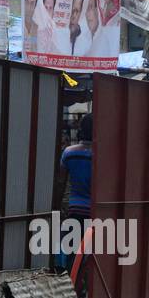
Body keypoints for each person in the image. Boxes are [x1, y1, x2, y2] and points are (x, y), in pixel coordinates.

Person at [55, 114, 93, 274]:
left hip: (75, 210)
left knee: (72, 253)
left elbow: (60, 184)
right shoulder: (106, 154)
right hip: (98, 213)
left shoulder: (69, 153)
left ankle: (73, 284)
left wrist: (57, 208)